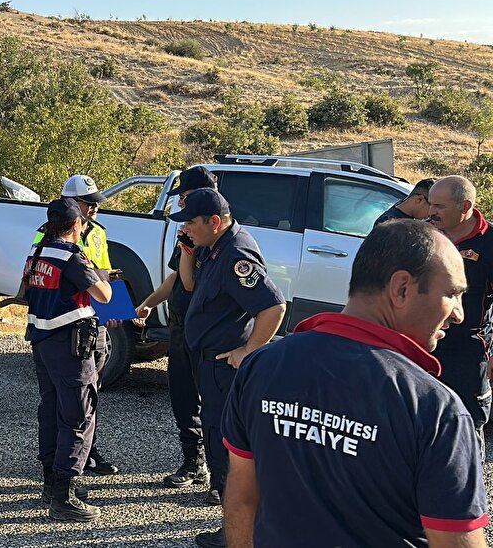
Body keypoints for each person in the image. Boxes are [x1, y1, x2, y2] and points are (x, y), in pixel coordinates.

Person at [221, 220, 489, 547]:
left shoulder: (262, 366)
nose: (459, 313)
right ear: (402, 288)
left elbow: (242, 498)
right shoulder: (436, 410)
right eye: (452, 294)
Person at [169, 188, 285, 548]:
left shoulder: (236, 253)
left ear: (214, 222)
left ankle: (241, 532)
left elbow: (273, 307)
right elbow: (189, 285)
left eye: (190, 222)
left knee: (226, 447)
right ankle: (236, 526)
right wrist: (188, 250)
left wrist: (249, 351)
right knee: (220, 442)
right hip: (207, 364)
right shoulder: (212, 245)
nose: (186, 228)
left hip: (223, 368)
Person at [23, 198, 113, 522]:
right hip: (71, 345)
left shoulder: (38, 253)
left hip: (42, 341)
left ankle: (50, 483)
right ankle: (65, 496)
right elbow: (105, 295)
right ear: (76, 226)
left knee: (50, 410)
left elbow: (26, 291)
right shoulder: (72, 256)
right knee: (78, 416)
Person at [133, 166, 217, 488]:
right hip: (180, 328)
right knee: (182, 397)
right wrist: (150, 302)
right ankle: (193, 463)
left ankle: (218, 475)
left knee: (210, 401)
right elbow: (175, 280)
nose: (180, 206)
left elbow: (190, 282)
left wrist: (187, 249)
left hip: (205, 332)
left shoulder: (210, 235)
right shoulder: (189, 232)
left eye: (183, 198)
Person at [51, 175, 119, 475]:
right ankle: (61, 455)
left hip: (94, 321)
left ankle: (88, 450)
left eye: (96, 204)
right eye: (88, 204)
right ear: (71, 204)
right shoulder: (47, 235)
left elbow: (104, 274)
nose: (94, 209)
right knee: (66, 396)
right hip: (66, 322)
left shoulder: (98, 234)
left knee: (91, 391)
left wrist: (114, 310)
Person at [427, 175, 493, 439]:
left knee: (467, 423)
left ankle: (470, 477)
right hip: (422, 343)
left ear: (465, 207)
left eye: (440, 207)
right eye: (430, 204)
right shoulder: (423, 234)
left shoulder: (489, 243)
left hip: (467, 349)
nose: (432, 212)